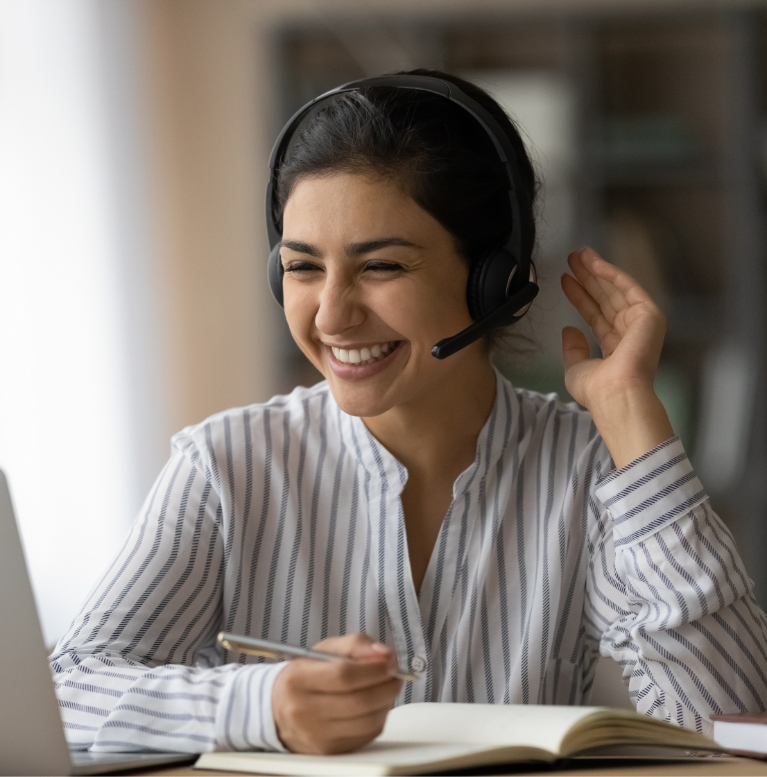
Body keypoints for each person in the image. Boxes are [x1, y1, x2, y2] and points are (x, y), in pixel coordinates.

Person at [50, 70, 767, 756]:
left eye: (381, 265)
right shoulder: (225, 465)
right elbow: (66, 690)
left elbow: (728, 716)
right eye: (302, 266)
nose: (331, 314)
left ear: (493, 282)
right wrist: (260, 705)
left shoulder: (585, 467)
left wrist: (632, 421)